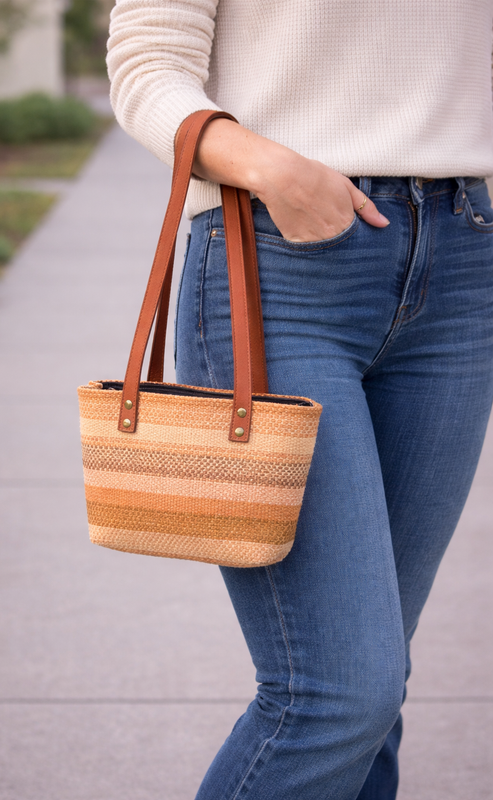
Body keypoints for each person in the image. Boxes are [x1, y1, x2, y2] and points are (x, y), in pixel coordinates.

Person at [106, 3, 493, 798]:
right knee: (336, 694)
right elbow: (147, 63)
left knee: (377, 681)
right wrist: (270, 166)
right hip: (276, 266)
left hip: (465, 256)